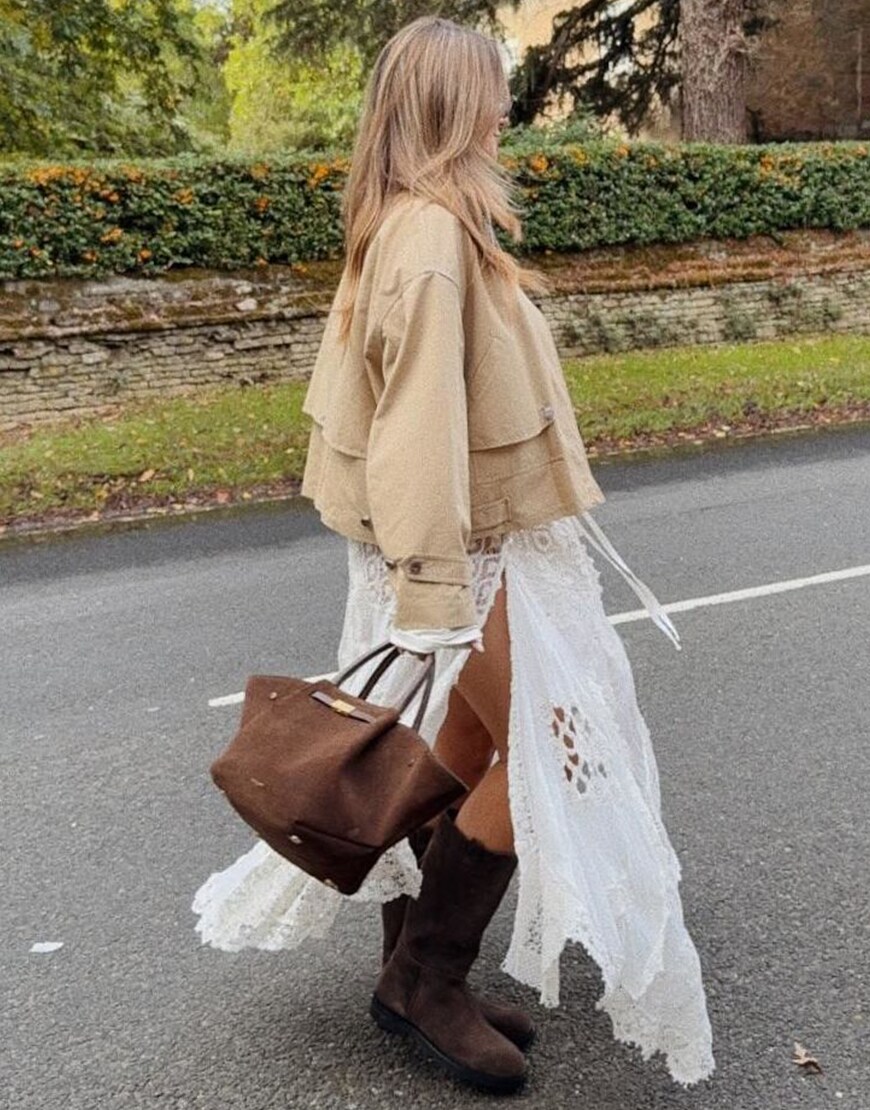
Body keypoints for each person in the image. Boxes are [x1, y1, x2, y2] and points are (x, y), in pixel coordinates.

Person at [192, 14, 715, 1096]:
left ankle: (410, 958)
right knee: (557, 747)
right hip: (466, 551)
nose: (506, 105)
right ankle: (425, 978)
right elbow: (416, 428)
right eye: (492, 87)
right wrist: (432, 590)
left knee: (475, 736)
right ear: (446, 105)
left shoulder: (421, 221)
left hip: (469, 543)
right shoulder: (430, 235)